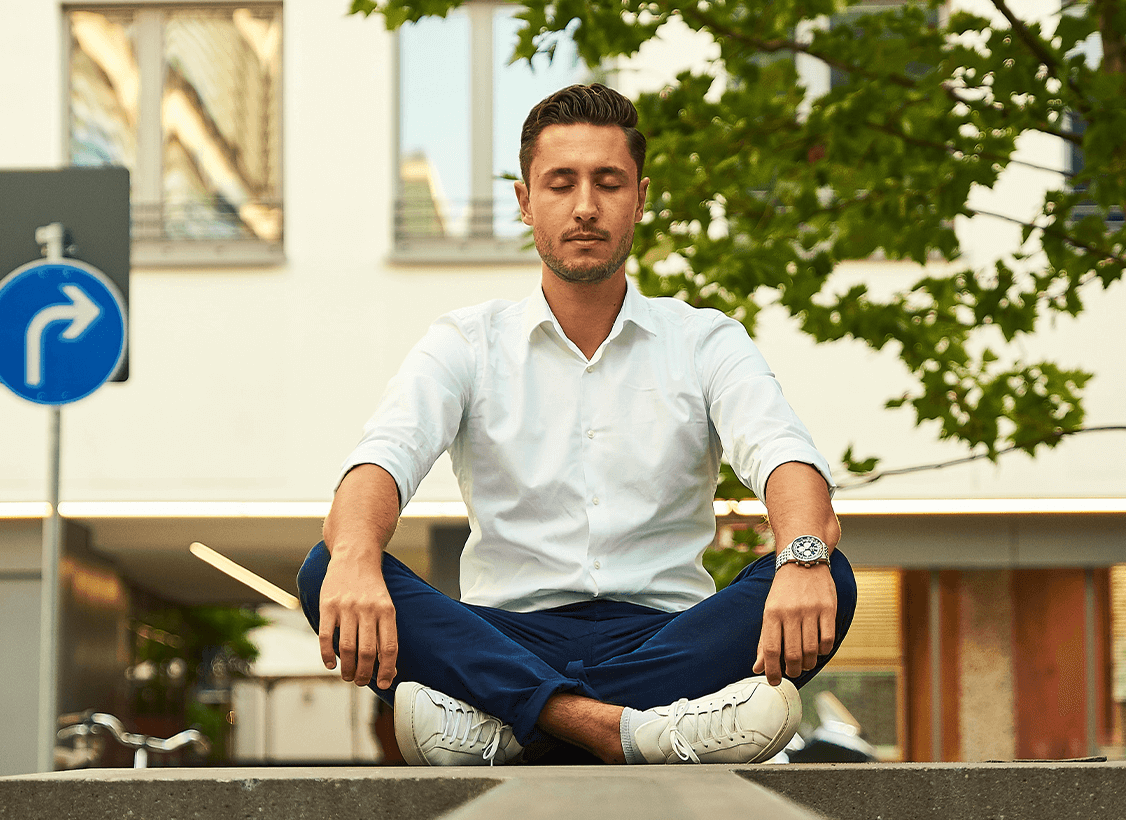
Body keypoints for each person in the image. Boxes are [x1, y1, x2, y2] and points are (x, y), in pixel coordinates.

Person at [298, 83, 855, 767]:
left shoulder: (705, 340)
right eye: (561, 183)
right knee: (328, 565)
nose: (586, 206)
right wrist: (354, 558)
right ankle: (638, 730)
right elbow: (382, 460)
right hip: (507, 636)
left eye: (608, 182)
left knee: (832, 576)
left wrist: (803, 553)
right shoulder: (466, 342)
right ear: (525, 202)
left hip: (667, 637)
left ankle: (510, 722)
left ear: (641, 198)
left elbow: (784, 456)